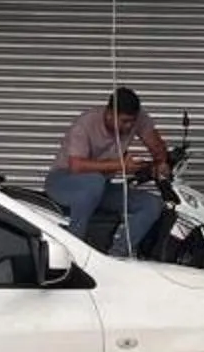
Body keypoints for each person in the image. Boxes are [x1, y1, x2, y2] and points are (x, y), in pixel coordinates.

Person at [45, 87, 171, 256]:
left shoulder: (137, 118)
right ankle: (74, 249)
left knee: (152, 204)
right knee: (95, 180)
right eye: (124, 121)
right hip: (63, 182)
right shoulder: (86, 124)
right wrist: (120, 165)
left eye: (133, 121)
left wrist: (161, 162)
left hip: (100, 187)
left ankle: (117, 255)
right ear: (110, 114)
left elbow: (155, 144)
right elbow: (77, 166)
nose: (129, 126)